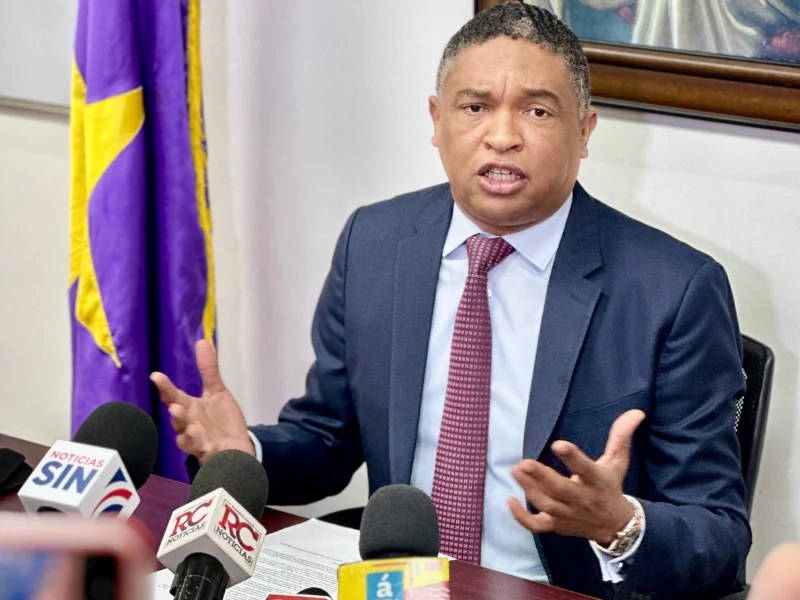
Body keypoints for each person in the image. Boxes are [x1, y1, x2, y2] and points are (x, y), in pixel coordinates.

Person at [152, 4, 751, 598]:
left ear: (585, 131)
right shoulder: (374, 242)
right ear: (437, 121)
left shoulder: (673, 289)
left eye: (538, 111)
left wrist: (620, 525)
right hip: (395, 585)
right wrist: (248, 451)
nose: (503, 137)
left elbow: (720, 536)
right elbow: (330, 438)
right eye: (475, 107)